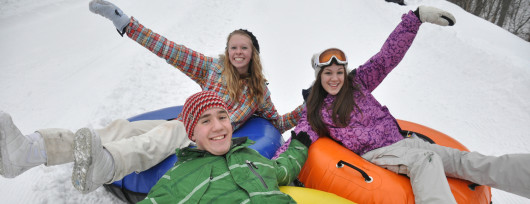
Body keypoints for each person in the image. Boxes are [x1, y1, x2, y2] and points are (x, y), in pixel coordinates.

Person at [0, 0, 304, 194]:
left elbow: (277, 122)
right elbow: (169, 49)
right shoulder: (211, 67)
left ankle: (105, 167)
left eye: (244, 47)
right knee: (119, 129)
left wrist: (309, 106)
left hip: (201, 134)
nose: (238, 52)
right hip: (185, 121)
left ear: (254, 53)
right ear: (227, 51)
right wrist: (127, 25)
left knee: (158, 138)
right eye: (233, 46)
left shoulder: (258, 91)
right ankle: (30, 150)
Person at [273, 6, 530, 204]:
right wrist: (269, 170)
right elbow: (296, 143)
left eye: (339, 72)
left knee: (467, 161)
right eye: (327, 73)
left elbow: (387, 57)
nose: (335, 78)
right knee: (426, 159)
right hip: (377, 154)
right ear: (318, 76)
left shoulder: (358, 83)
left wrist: (414, 18)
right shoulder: (316, 111)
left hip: (403, 143)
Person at [137, 91, 310, 203]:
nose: (218, 127)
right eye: (205, 121)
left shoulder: (249, 155)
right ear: (192, 134)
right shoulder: (178, 177)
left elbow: (283, 170)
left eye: (222, 117)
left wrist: (299, 145)